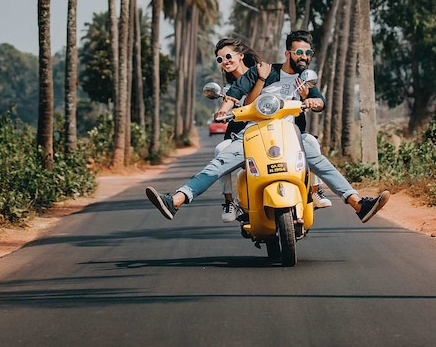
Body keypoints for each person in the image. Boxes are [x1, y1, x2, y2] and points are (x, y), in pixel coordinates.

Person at [146, 30, 389, 223]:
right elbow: (235, 95)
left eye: (308, 52)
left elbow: (319, 100)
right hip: (253, 136)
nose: (303, 56)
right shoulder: (261, 72)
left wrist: (313, 101)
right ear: (288, 53)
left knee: (316, 153)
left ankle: (358, 204)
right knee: (218, 163)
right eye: (299, 52)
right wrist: (223, 110)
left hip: (290, 136)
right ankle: (176, 200)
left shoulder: (303, 80)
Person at [210, 37, 333, 223]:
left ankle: (315, 191)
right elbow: (246, 103)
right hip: (246, 136)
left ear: (240, 56)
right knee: (220, 150)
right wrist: (223, 110)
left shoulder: (267, 73)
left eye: (228, 56)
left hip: (275, 131)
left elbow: (291, 90)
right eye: (220, 60)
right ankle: (229, 202)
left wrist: (306, 97)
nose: (225, 61)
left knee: (310, 143)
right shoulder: (233, 88)